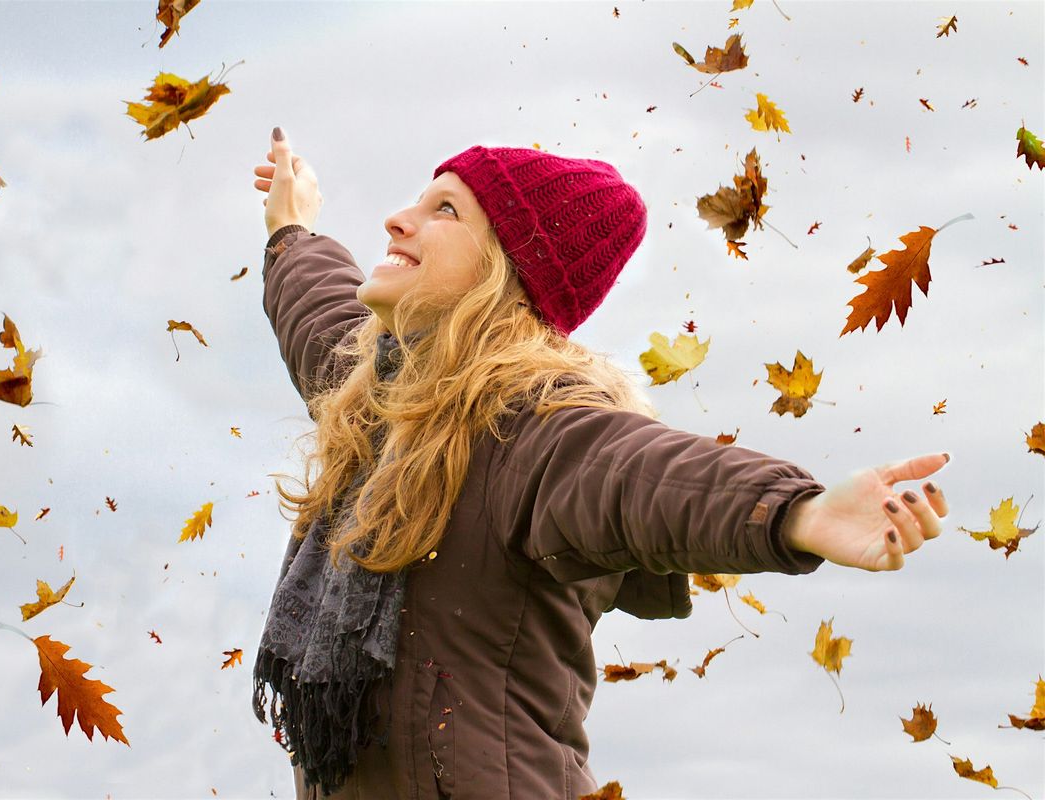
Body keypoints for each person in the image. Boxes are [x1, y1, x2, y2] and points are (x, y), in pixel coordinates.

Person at [249, 126, 951, 799]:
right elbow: (319, 312)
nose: (398, 220)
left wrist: (795, 511)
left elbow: (641, 478)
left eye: (445, 210)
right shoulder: (379, 407)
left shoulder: (530, 431)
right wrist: (291, 227)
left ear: (507, 273)